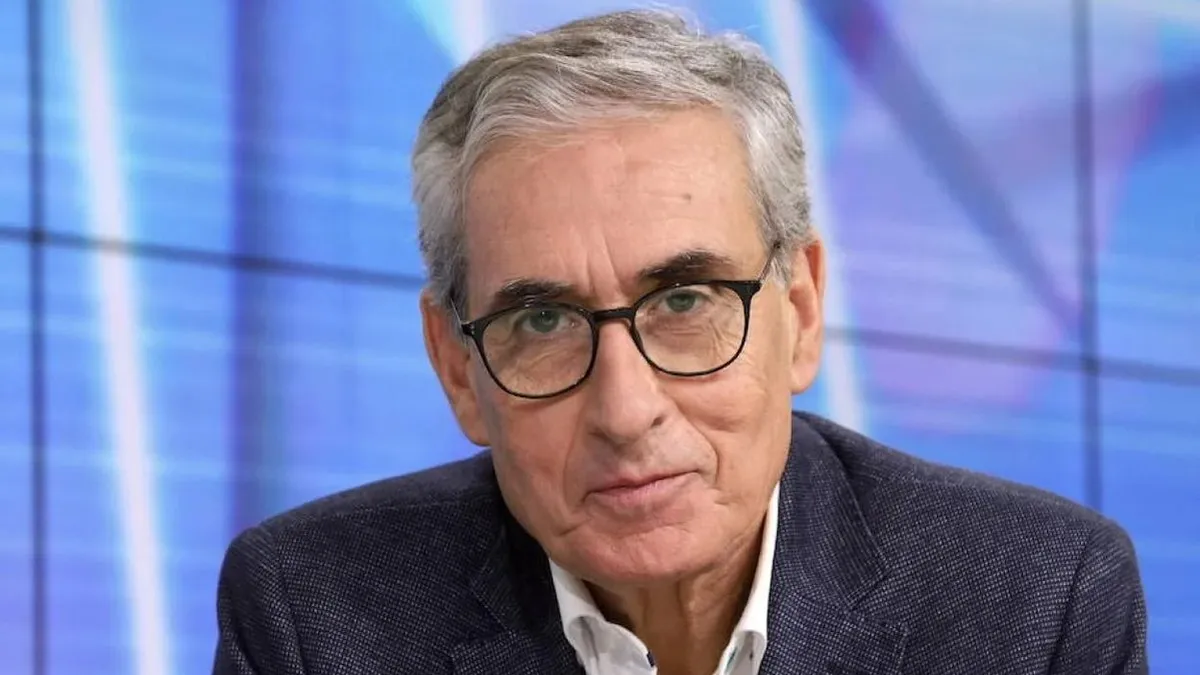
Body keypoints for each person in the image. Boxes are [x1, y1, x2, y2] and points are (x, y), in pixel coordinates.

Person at [212, 9, 1147, 675]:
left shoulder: (1038, 606)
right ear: (458, 367)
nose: (626, 410)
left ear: (801, 312)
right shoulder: (313, 615)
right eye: (542, 321)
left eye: (686, 300)